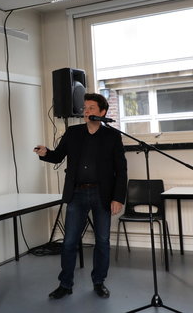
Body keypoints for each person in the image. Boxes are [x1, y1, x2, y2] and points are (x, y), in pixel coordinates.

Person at [34, 92, 127, 299]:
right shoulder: (73, 132)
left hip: (102, 194)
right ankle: (65, 284)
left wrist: (118, 197)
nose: (87, 112)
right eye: (85, 108)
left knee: (102, 241)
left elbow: (121, 170)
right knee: (69, 242)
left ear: (102, 112)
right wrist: (45, 153)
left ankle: (99, 282)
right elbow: (58, 156)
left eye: (92, 108)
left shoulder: (112, 136)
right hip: (77, 193)